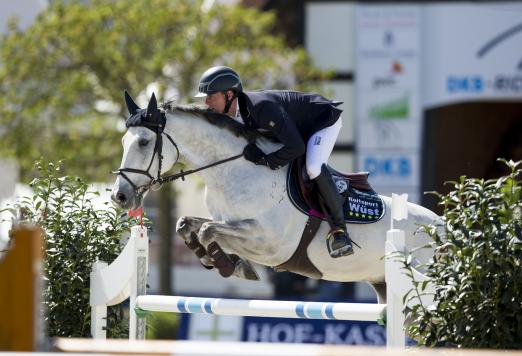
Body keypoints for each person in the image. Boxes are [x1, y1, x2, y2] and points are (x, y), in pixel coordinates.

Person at [195, 66, 353, 258]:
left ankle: (339, 232)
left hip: (323, 121)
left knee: (313, 167)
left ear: (229, 94)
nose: (206, 102)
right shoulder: (235, 114)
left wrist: (266, 160)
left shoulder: (261, 108)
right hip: (296, 128)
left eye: (211, 96)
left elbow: (297, 148)